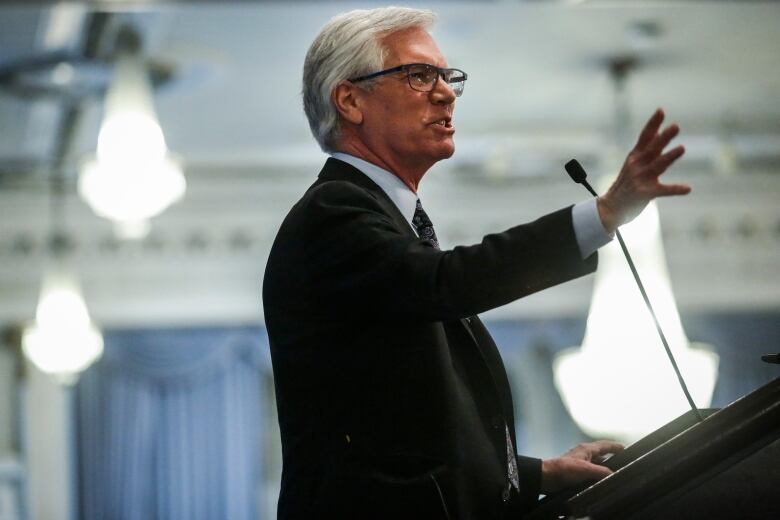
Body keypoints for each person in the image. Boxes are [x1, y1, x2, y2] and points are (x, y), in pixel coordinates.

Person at [263, 7, 689, 519]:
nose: (445, 93)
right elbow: (447, 283)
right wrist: (601, 216)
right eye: (418, 75)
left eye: (448, 77)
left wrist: (537, 474)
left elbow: (408, 439)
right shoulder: (333, 212)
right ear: (350, 100)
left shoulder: (387, 224)